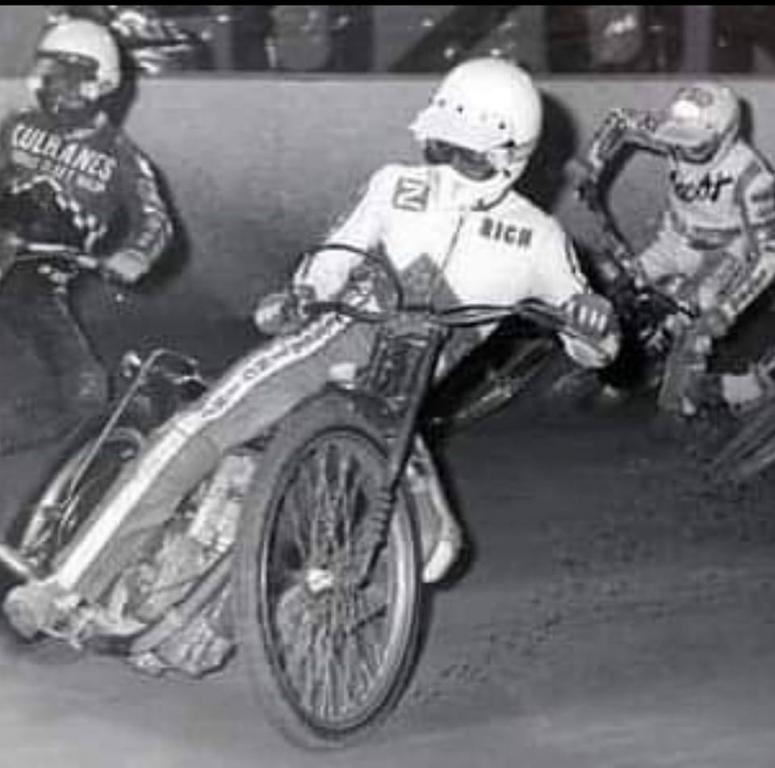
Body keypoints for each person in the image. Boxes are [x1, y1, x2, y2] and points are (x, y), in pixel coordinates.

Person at [4, 58, 620, 642]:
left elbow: (597, 342)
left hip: (398, 401)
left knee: (436, 547)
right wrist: (307, 290)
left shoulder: (539, 240)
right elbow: (334, 254)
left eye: (468, 152)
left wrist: (593, 324)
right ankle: (65, 588)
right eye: (442, 144)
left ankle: (314, 611)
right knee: (198, 429)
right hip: (333, 339)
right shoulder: (396, 184)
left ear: (510, 156)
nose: (449, 161)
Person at [0, 17, 173, 421]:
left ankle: (70, 427)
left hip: (41, 270)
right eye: (47, 73)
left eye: (65, 78)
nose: (50, 86)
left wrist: (136, 253)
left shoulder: (118, 156)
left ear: (100, 85)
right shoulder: (17, 126)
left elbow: (154, 217)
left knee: (82, 384)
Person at [573, 81, 775, 416]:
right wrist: (591, 165)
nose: (683, 148)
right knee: (621, 290)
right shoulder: (675, 131)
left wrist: (729, 308)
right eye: (678, 138)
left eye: (696, 144)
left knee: (694, 332)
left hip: (723, 254)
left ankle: (742, 389)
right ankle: (631, 359)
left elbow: (770, 252)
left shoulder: (753, 178)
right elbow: (620, 119)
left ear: (725, 134)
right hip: (671, 239)